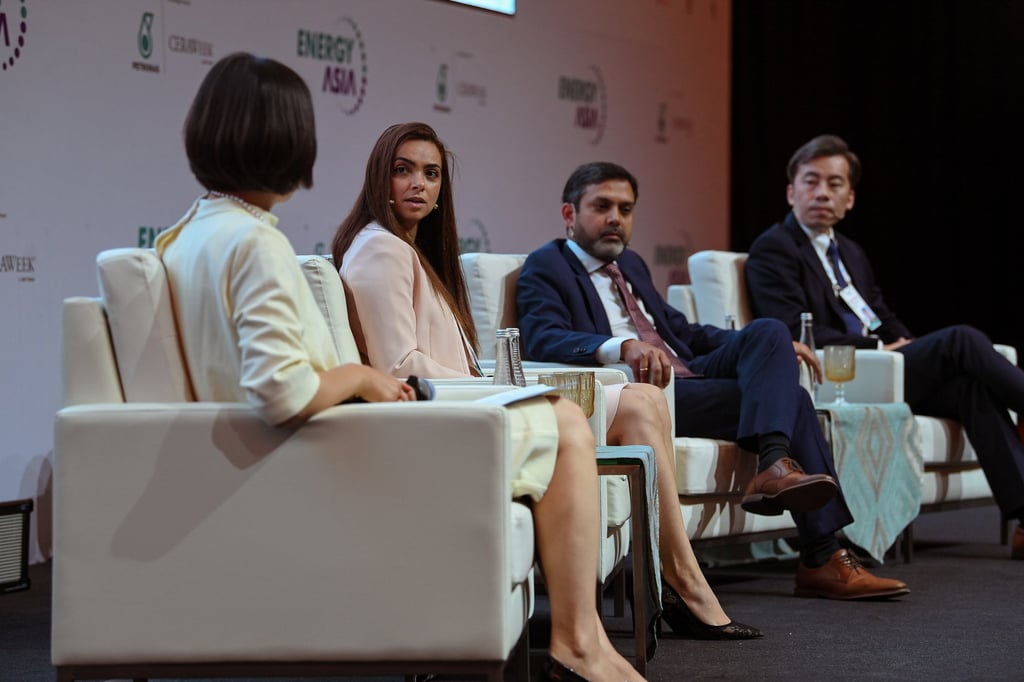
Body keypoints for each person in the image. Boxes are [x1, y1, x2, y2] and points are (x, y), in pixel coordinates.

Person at [156, 57, 629, 682]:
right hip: (330, 448)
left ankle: (577, 639)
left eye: (431, 173)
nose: (419, 184)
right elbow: (279, 393)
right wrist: (360, 378)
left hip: (291, 448)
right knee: (566, 422)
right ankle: (576, 643)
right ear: (291, 141)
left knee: (559, 416)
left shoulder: (187, 232)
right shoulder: (255, 243)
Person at [332, 122, 762, 652]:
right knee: (638, 403)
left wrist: (497, 379)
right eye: (403, 170)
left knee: (646, 399)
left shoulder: (408, 249)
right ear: (380, 176)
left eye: (431, 173)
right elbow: (402, 371)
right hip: (451, 416)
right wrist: (501, 386)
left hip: (472, 401)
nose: (418, 184)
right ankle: (680, 582)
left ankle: (676, 577)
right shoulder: (381, 249)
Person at [516, 161, 911, 600]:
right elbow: (543, 338)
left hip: (690, 375)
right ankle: (818, 549)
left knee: (770, 332)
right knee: (794, 400)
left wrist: (770, 346)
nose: (615, 219)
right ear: (570, 214)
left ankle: (779, 475)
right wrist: (619, 346)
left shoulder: (631, 264)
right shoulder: (546, 265)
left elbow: (682, 333)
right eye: (602, 206)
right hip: (641, 396)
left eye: (625, 209)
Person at [745, 133, 1024, 561]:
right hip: (842, 370)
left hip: (883, 365)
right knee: (962, 339)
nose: (822, 192)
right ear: (791, 191)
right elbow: (793, 330)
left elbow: (878, 313)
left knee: (971, 387)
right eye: (811, 181)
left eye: (834, 184)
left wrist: (903, 342)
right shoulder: (774, 248)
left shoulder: (851, 252)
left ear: (850, 198)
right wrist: (880, 345)